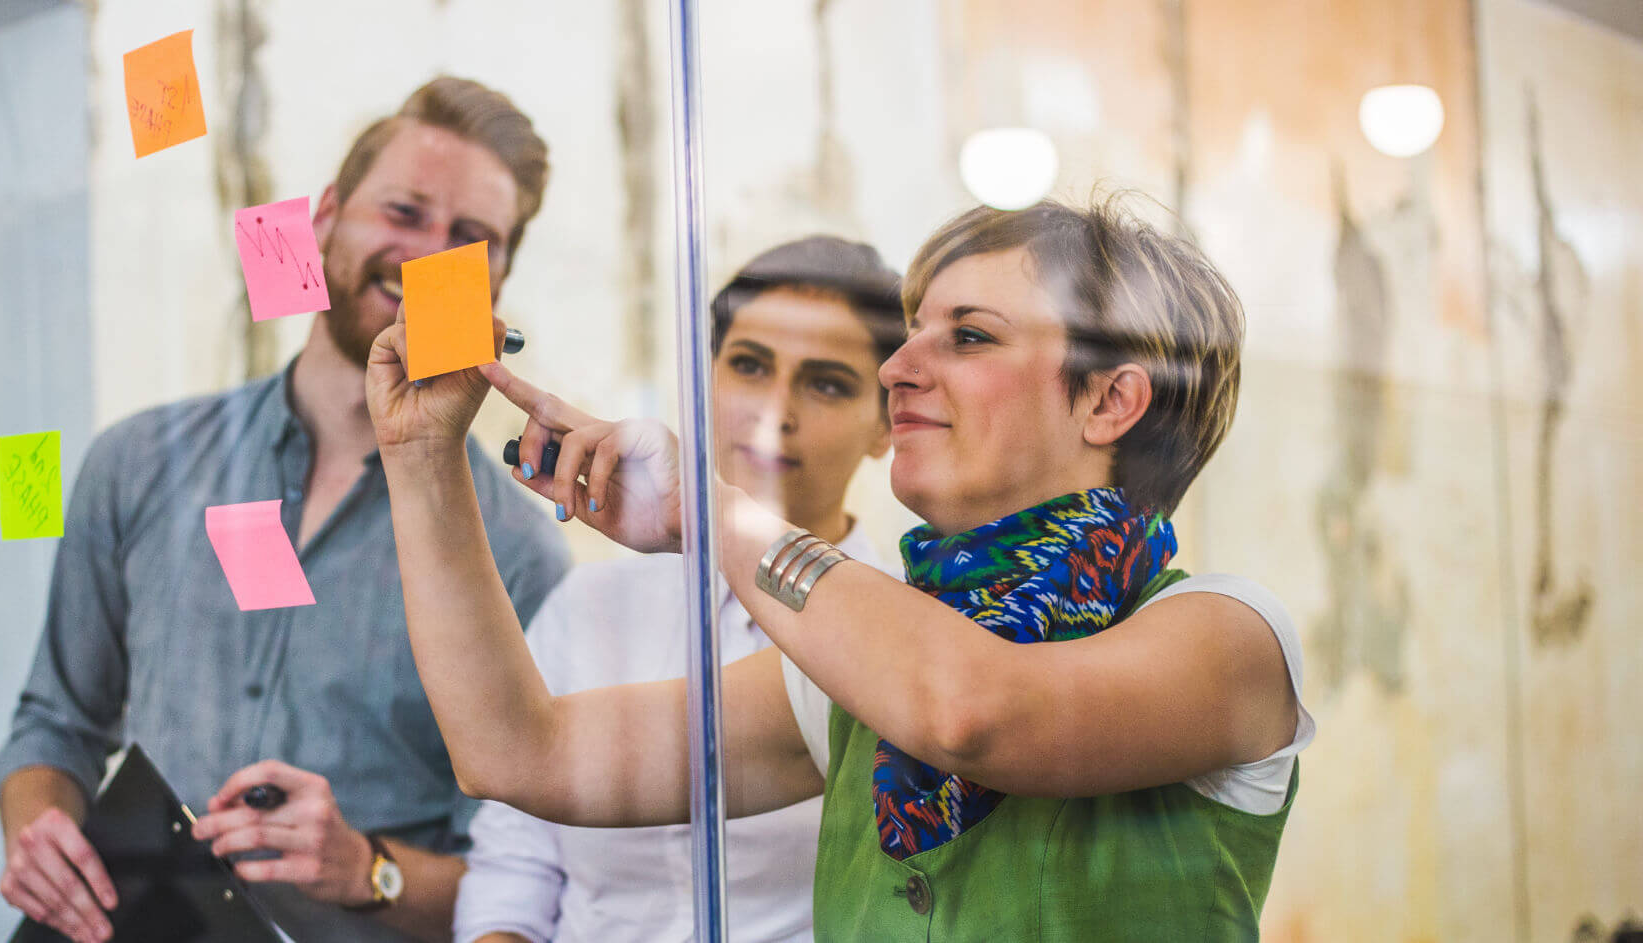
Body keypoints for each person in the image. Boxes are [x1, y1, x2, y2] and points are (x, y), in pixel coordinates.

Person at [367, 197, 1316, 940]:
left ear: (1111, 400)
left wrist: (708, 510)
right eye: (911, 331)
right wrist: (421, 458)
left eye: (969, 334)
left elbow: (970, 712)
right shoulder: (856, 669)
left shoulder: (1232, 633)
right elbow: (517, 752)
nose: (899, 367)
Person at [0, 77, 570, 943]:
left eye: (470, 238)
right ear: (328, 214)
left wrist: (367, 867)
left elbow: (524, 881)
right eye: (404, 211)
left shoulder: (520, 552)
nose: (425, 256)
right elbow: (56, 721)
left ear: (498, 278)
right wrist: (37, 828)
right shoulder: (141, 462)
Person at [454, 237, 904, 943]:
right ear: (708, 376)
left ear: (885, 425)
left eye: (827, 383)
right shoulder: (592, 602)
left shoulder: (906, 630)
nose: (774, 410)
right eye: (750, 366)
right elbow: (515, 859)